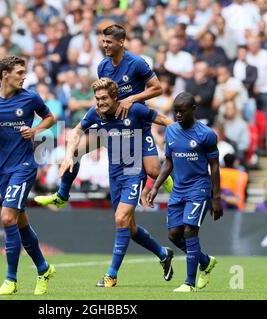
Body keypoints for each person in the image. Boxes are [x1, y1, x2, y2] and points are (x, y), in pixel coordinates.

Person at [35, 24, 173, 208]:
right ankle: (62, 195)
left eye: (109, 42)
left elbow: (158, 88)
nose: (105, 45)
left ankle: (173, 187)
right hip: (108, 123)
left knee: (154, 171)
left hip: (135, 122)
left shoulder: (136, 63)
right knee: (74, 151)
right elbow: (103, 92)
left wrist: (131, 99)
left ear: (121, 42)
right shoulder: (103, 66)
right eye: (103, 41)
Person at [61, 77, 174, 287]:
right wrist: (69, 154)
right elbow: (77, 131)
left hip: (134, 172)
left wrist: (184, 135)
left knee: (121, 219)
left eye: (104, 98)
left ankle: (111, 275)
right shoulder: (95, 113)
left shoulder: (135, 110)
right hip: (114, 174)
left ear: (115, 97)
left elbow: (165, 121)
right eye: (97, 98)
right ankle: (163, 253)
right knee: (129, 228)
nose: (100, 102)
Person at [0, 56, 57, 295]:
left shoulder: (31, 98)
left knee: (7, 217)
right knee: (20, 221)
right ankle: (44, 268)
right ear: (4, 74)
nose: (24, 76)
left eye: (25, 72)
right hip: (2, 168)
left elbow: (50, 117)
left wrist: (35, 130)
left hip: (24, 166)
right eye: (20, 72)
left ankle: (11, 279)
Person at [147, 92, 223, 292]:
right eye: (176, 111)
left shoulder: (206, 134)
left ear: (193, 110)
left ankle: (189, 282)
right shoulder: (171, 131)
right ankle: (205, 261)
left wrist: (216, 197)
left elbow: (214, 166)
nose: (178, 115)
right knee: (174, 235)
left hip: (199, 188)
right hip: (178, 189)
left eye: (182, 111)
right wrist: (155, 187)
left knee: (190, 230)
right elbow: (169, 161)